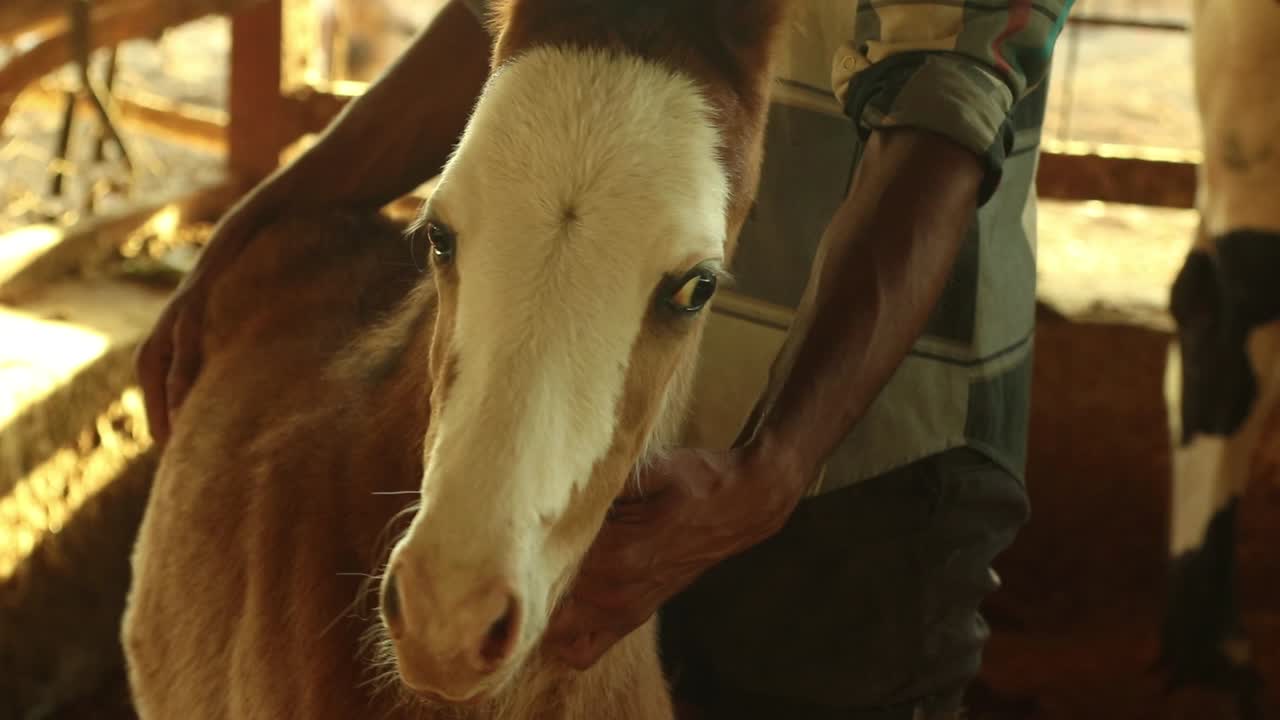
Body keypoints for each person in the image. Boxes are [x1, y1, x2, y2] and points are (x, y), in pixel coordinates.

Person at [136, 1, 1071, 718]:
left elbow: (940, 123)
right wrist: (253, 224)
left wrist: (775, 468)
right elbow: (506, 26)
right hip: (593, 438)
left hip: (859, 464)